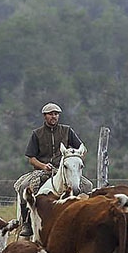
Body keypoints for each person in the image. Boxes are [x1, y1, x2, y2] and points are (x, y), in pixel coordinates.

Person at [16, 102, 93, 238]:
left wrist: (74, 158)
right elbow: (31, 158)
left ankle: (89, 220)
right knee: (23, 187)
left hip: (64, 168)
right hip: (43, 170)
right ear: (45, 116)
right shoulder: (37, 134)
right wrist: (43, 166)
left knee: (88, 186)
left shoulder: (67, 130)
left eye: (56, 114)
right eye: (51, 114)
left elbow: (82, 149)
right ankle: (27, 224)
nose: (54, 116)